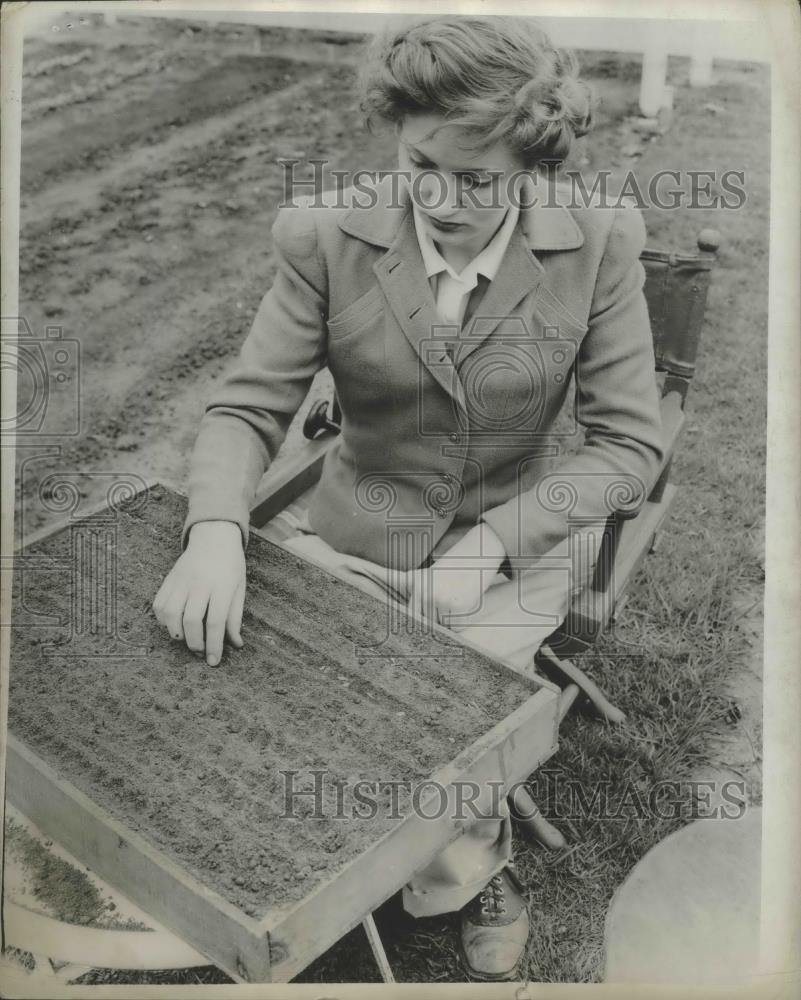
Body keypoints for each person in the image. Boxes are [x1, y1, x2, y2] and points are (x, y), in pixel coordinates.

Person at [153, 15, 664, 981]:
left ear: (534, 169)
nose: (437, 198)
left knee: (443, 715)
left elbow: (628, 446)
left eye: (475, 180)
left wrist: (486, 552)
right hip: (351, 534)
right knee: (268, 680)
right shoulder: (324, 235)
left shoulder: (598, 241)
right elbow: (246, 407)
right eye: (418, 161)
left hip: (506, 555)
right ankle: (294, 870)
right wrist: (215, 530)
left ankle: (469, 873)